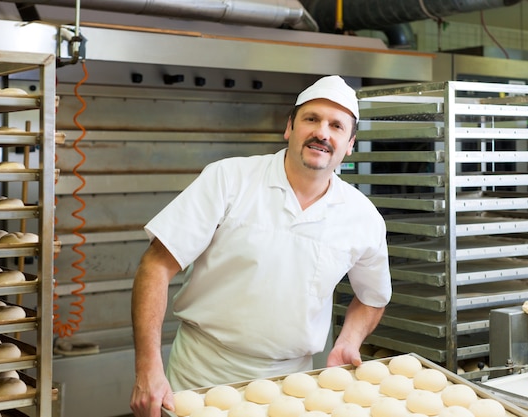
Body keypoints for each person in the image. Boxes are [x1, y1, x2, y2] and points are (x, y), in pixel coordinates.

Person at [129, 75, 392, 417]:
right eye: (311, 119)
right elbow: (155, 266)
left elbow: (373, 296)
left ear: (350, 144)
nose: (322, 133)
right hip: (202, 376)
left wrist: (349, 340)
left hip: (294, 387)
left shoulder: (362, 217)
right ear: (289, 128)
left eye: (336, 126)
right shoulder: (229, 180)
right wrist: (148, 368)